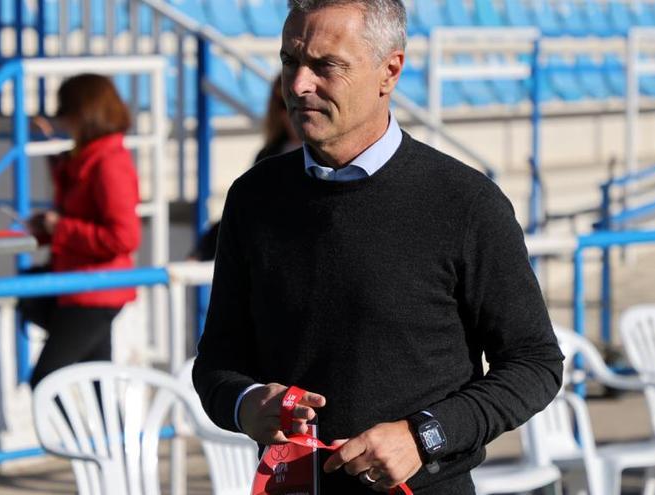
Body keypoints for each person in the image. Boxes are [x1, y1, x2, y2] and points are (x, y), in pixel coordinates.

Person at [191, 0, 564, 493]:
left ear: (389, 71)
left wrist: (422, 436)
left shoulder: (465, 203)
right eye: (289, 61)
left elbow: (535, 363)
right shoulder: (253, 198)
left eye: (326, 65)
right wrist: (247, 403)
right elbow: (217, 363)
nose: (299, 84)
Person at [21, 74, 141, 389]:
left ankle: (73, 439)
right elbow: (78, 209)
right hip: (87, 286)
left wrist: (58, 228)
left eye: (65, 110)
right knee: (98, 384)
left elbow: (124, 237)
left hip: (94, 289)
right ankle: (108, 440)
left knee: (46, 384)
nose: (61, 119)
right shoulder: (91, 157)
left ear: (83, 112)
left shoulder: (107, 162)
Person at [190, 73, 300, 261]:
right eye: (283, 103)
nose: (289, 112)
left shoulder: (331, 158)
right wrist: (205, 248)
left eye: (297, 101)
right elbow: (245, 206)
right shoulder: (268, 155)